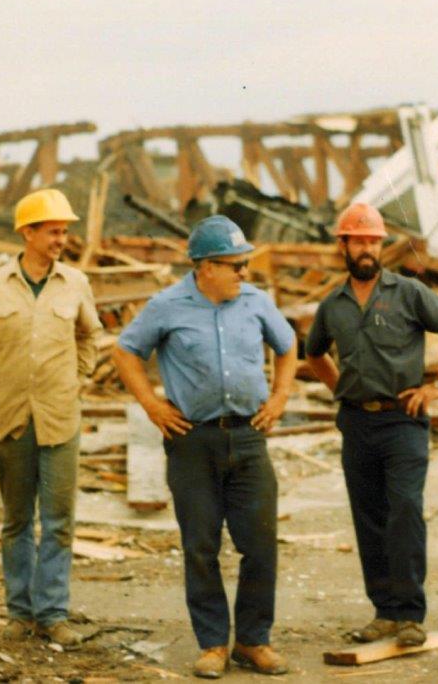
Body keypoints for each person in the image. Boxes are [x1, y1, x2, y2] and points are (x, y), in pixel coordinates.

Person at [112, 215, 297, 679]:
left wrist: (278, 399)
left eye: (245, 264)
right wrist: (153, 407)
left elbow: (289, 347)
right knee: (200, 545)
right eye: (235, 265)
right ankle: (213, 643)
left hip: (249, 437)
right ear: (205, 267)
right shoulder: (166, 305)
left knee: (259, 544)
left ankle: (254, 642)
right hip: (192, 441)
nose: (244, 273)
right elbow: (126, 351)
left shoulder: (257, 302)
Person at [304, 202, 438, 648]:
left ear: (382, 246)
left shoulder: (407, 293)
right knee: (368, 516)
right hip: (357, 422)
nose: (366, 249)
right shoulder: (333, 304)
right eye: (358, 240)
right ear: (342, 245)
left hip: (404, 419)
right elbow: (313, 352)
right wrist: (340, 385)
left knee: (403, 512)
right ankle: (384, 611)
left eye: (373, 241)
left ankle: (411, 615)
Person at [0, 188, 102, 648]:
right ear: (28, 233)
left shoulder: (75, 283)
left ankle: (53, 615)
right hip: (11, 418)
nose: (62, 239)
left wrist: (74, 380)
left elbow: (90, 337)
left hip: (60, 418)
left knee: (58, 519)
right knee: (17, 520)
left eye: (64, 231)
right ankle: (20, 615)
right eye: (54, 231)